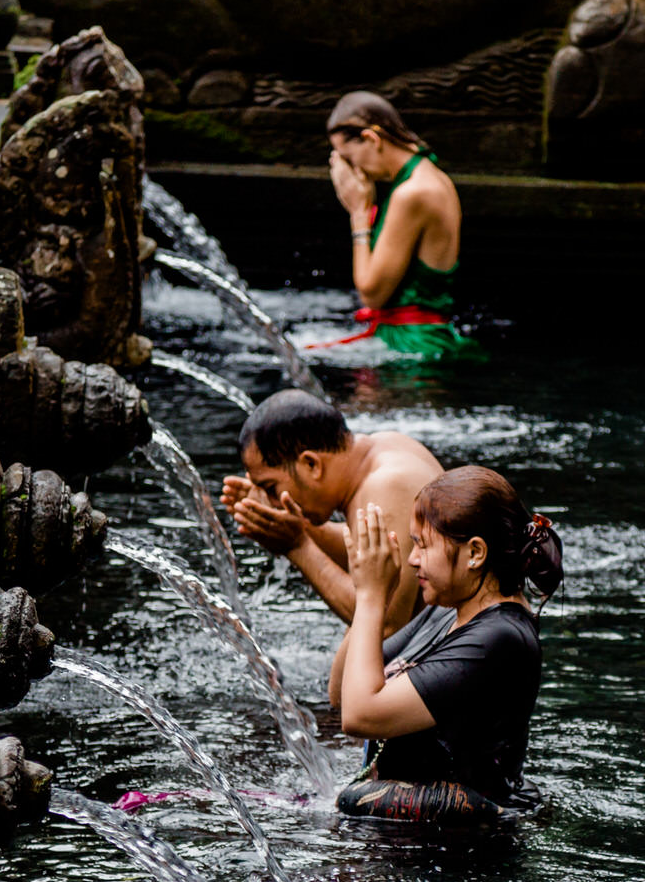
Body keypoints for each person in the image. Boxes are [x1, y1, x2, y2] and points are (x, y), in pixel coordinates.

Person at [335, 465, 563, 825]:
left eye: (422, 545)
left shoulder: (500, 639)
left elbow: (359, 716)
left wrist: (370, 598)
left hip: (456, 856)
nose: (412, 559)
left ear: (475, 553)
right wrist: (375, 598)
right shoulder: (447, 612)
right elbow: (342, 694)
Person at [220, 389, 441, 653]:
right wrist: (289, 525)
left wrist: (297, 546)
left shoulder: (385, 486)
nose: (275, 500)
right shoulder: (383, 446)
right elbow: (374, 560)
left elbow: (386, 625)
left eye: (271, 488)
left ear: (311, 464)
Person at [317, 90, 484, 361]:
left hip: (411, 345)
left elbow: (372, 294)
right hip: (415, 338)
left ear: (371, 139)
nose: (355, 171)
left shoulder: (412, 194)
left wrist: (358, 212)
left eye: (349, 158)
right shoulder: (429, 174)